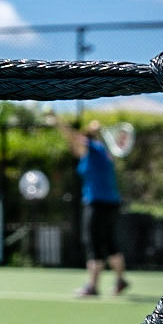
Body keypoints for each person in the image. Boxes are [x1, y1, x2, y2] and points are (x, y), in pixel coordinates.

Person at [64, 120, 128, 297]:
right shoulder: (103, 153)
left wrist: (56, 121)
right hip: (111, 203)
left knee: (92, 242)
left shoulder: (94, 148)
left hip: (97, 203)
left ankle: (92, 286)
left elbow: (73, 137)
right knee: (109, 243)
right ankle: (121, 280)